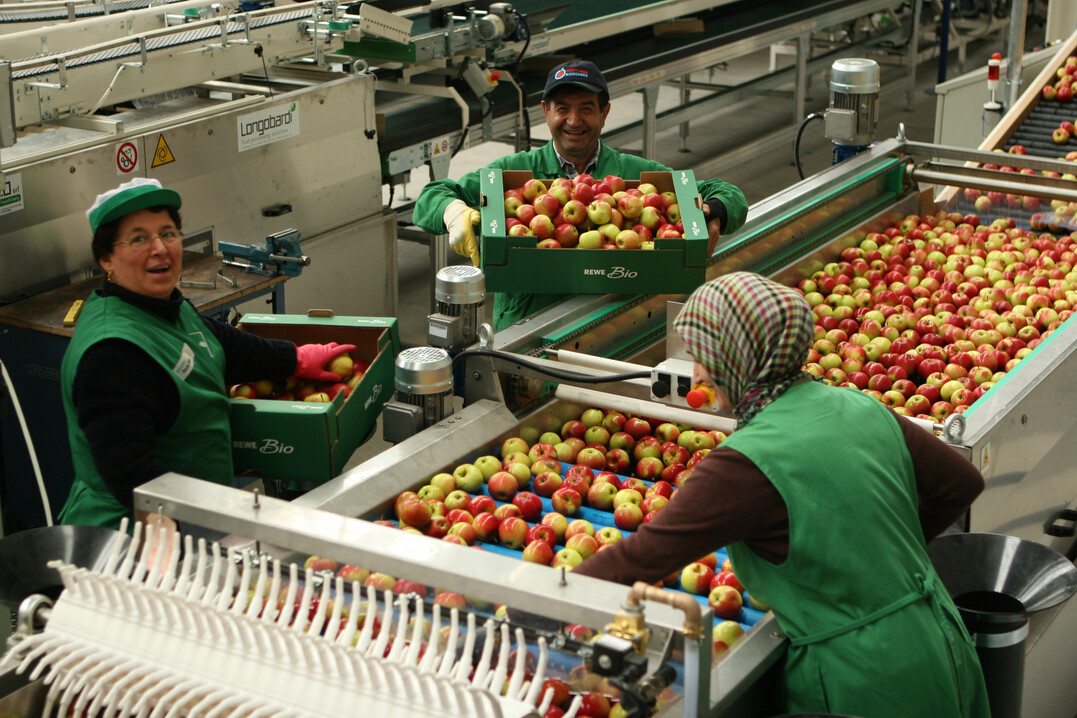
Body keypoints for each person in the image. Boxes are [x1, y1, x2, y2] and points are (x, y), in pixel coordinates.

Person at [574, 272, 991, 718]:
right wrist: (877, 559)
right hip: (941, 638)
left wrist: (529, 601)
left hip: (864, 677)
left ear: (737, 356)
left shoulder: (745, 463)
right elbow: (962, 483)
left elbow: (638, 560)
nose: (696, 374)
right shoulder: (860, 405)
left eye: (703, 357)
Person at [58, 178, 356, 530]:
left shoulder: (160, 306)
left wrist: (297, 359)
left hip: (196, 512)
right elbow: (129, 470)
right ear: (107, 259)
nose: (159, 248)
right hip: (133, 535)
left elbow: (218, 342)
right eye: (139, 239)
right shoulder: (112, 353)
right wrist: (174, 530)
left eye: (168, 233)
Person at [413, 60, 749, 330]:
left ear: (605, 112)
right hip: (527, 326)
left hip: (611, 321)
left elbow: (724, 192)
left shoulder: (631, 175)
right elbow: (432, 195)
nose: (574, 121)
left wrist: (715, 212)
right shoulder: (514, 173)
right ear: (546, 111)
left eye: (586, 108)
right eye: (562, 108)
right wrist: (453, 212)